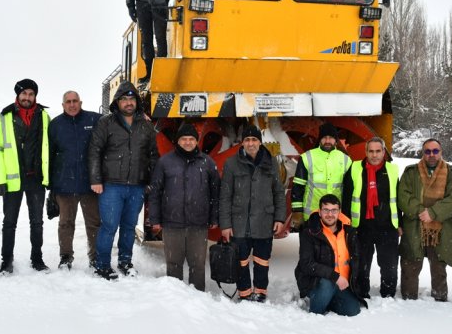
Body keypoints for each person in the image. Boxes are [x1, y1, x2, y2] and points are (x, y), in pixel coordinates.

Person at [88, 81, 159, 280]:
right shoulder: (106, 123)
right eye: (124, 99)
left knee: (129, 226)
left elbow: (154, 155)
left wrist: (151, 181)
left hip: (137, 186)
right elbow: (94, 151)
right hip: (111, 185)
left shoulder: (146, 125)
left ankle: (125, 262)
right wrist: (96, 179)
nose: (128, 103)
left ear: (137, 102)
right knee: (109, 226)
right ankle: (102, 265)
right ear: (117, 102)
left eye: (132, 99)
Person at [148, 123, 220, 291]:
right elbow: (155, 192)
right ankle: (175, 299)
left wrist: (214, 217)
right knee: (173, 265)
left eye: (191, 139)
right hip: (172, 223)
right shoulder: (165, 162)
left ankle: (198, 298)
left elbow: (216, 193)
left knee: (198, 265)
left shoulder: (207, 163)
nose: (187, 142)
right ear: (177, 141)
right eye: (184, 139)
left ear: (196, 141)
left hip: (198, 224)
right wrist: (155, 219)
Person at [219, 125, 286, 302]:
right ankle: (245, 293)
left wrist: (279, 218)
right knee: (241, 261)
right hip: (239, 222)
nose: (251, 143)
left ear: (260, 142)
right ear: (242, 143)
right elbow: (225, 196)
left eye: (254, 140)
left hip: (264, 220)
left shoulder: (271, 162)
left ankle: (260, 292)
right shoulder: (231, 164)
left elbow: (279, 192)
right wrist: (225, 224)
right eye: (247, 140)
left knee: (262, 260)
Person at [0, 79, 51, 274]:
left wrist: (48, 177)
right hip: (12, 180)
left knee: (37, 222)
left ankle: (37, 258)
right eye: (24, 94)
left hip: (36, 179)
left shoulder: (44, 116)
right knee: (9, 222)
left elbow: (48, 149)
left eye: (31, 94)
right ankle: (6, 261)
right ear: (17, 95)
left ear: (35, 96)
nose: (27, 97)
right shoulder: (3, 117)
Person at [398, 139, 452, 301]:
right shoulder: (410, 172)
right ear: (422, 152)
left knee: (439, 266)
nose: (431, 154)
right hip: (414, 225)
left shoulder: (451, 174)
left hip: (441, 228)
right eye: (427, 151)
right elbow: (403, 196)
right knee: (410, 263)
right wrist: (421, 212)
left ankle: (440, 301)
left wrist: (433, 213)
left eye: (435, 151)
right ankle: (408, 299)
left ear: (441, 152)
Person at [48, 90, 102, 270]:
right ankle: (65, 257)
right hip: (65, 184)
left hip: (90, 184)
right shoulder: (55, 125)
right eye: (68, 102)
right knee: (65, 223)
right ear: (62, 105)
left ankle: (95, 257)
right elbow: (49, 155)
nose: (72, 104)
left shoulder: (94, 120)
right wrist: (52, 185)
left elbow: (117, 119)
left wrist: (141, 114)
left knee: (94, 223)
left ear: (81, 102)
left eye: (75, 101)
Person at [341, 136, 401, 299]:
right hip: (361, 226)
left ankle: (388, 295)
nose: (374, 155)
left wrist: (400, 223)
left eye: (378, 151)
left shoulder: (392, 170)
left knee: (389, 265)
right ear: (366, 152)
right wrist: (346, 224)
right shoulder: (354, 169)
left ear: (383, 152)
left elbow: (398, 198)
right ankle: (361, 292)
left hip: (387, 226)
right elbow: (346, 198)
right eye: (371, 151)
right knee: (361, 264)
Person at [295, 194, 365, 316]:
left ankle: (327, 300)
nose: (330, 214)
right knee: (327, 284)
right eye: (326, 210)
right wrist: (335, 277)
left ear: (339, 212)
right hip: (316, 282)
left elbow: (355, 260)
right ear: (320, 212)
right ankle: (315, 311)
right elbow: (306, 264)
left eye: (334, 210)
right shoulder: (310, 232)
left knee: (353, 310)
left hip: (341, 284)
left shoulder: (349, 232)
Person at [125, 0, 173, 82]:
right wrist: (130, 5)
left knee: (160, 37)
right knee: (146, 39)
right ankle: (149, 73)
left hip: (159, 1)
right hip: (141, 2)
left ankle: (161, 72)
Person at [291, 123, 352, 226]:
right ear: (319, 139)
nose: (327, 141)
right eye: (324, 138)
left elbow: (348, 191)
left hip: (335, 216)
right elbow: (297, 187)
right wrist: (297, 211)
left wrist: (347, 213)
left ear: (336, 140)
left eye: (331, 138)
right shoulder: (307, 157)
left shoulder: (346, 160)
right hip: (311, 215)